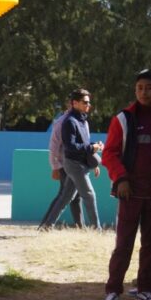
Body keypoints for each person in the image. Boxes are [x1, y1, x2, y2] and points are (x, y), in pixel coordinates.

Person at [99, 69, 151, 300]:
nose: (144, 93)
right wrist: (121, 178)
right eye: (140, 88)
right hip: (130, 193)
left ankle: (146, 288)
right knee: (123, 243)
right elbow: (109, 153)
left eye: (150, 88)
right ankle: (113, 290)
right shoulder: (123, 119)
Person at [37, 89, 102, 231]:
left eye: (89, 102)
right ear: (75, 103)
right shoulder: (69, 122)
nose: (88, 105)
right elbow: (70, 147)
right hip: (74, 164)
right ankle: (97, 230)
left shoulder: (82, 120)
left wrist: (93, 155)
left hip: (81, 163)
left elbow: (84, 143)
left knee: (66, 197)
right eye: (85, 102)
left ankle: (47, 227)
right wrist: (92, 148)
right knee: (89, 195)